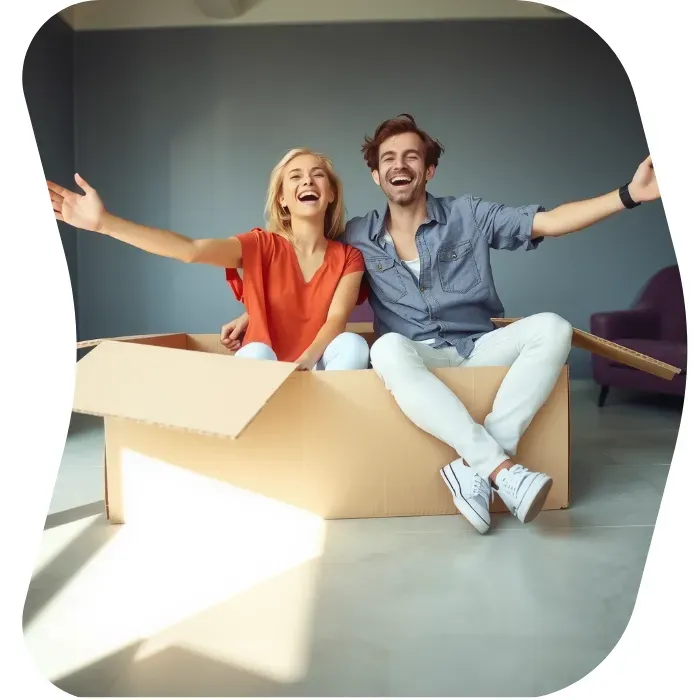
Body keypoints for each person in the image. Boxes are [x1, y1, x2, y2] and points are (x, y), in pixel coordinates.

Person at [222, 114, 661, 534]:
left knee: (554, 327)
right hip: (416, 360)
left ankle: (478, 468)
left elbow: (547, 222)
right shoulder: (357, 237)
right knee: (385, 346)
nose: (399, 165)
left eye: (411, 156)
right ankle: (503, 470)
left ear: (428, 170)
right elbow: (308, 277)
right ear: (376, 175)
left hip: (478, 347)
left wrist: (629, 195)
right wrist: (255, 312)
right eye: (388, 158)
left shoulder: (468, 215)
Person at [48, 148, 370, 372]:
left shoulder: (348, 257)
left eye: (317, 176)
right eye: (295, 176)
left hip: (316, 369)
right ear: (283, 199)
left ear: (330, 194)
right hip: (265, 371)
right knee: (256, 352)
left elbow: (335, 321)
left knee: (353, 345)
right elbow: (191, 250)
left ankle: (324, 433)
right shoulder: (260, 245)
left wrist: (304, 363)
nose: (308, 181)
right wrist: (105, 223)